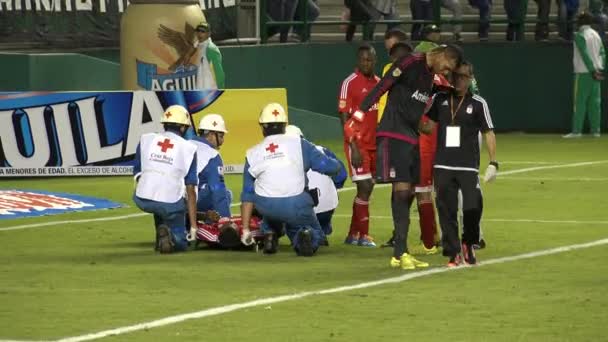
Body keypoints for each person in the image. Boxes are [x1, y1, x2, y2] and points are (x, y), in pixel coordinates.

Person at [351, 44, 464, 269]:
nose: (445, 71)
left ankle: (399, 252)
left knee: (409, 192)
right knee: (402, 191)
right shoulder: (410, 62)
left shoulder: (430, 77)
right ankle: (401, 252)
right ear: (441, 54)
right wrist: (360, 112)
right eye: (447, 66)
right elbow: (384, 85)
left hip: (411, 137)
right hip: (394, 133)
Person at [420, 61, 498, 267]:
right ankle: (453, 252)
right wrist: (414, 111)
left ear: (471, 79)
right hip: (443, 164)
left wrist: (493, 162)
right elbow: (426, 127)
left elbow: (488, 132)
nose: (460, 81)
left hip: (467, 165)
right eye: (457, 77)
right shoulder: (439, 99)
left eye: (465, 77)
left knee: (473, 207)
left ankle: (468, 243)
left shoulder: (479, 103)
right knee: (447, 210)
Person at [240, 103, 342, 256]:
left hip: (266, 206)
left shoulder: (252, 152)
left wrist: (246, 229)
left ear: (262, 127)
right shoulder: (300, 144)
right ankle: (306, 235)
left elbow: (247, 194)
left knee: (270, 210)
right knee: (315, 234)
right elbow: (328, 167)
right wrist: (336, 164)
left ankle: (269, 233)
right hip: (296, 204)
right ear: (284, 125)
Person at [132, 105, 198, 254]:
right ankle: (171, 237)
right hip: (170, 202)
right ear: (183, 127)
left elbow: (138, 172)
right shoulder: (188, 148)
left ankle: (161, 234)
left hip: (142, 198)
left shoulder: (146, 139)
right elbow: (191, 189)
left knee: (158, 198)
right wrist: (193, 226)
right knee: (181, 244)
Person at [338, 44, 380, 247]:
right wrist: (353, 145)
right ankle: (364, 235)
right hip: (357, 144)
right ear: (358, 61)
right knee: (365, 185)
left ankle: (352, 234)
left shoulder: (380, 84)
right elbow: (344, 116)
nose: (366, 63)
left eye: (370, 59)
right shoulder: (350, 83)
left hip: (374, 144)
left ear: (375, 60)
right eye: (363, 59)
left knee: (367, 188)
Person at [285, 125, 348, 244]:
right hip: (326, 208)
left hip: (298, 208)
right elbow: (341, 175)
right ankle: (321, 232)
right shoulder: (321, 150)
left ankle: (299, 235)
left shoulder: (280, 155)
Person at [564, 12, 605, 138]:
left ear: (580, 22)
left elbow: (584, 54)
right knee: (595, 103)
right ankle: (596, 131)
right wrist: (600, 69)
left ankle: (577, 131)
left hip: (583, 73)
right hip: (597, 73)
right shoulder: (596, 35)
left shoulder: (579, 35)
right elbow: (602, 53)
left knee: (579, 103)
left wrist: (592, 70)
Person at [189, 114, 232, 218]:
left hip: (171, 199)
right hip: (190, 200)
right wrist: (226, 220)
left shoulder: (186, 144)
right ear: (212, 134)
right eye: (221, 136)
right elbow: (218, 190)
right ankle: (209, 227)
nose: (222, 141)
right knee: (226, 194)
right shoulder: (212, 155)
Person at [195, 22, 225, 89]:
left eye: (203, 31)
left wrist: (220, 90)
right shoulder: (196, 47)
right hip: (199, 91)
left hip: (211, 91)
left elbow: (219, 73)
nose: (200, 33)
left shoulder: (211, 49)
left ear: (208, 34)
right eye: (198, 31)